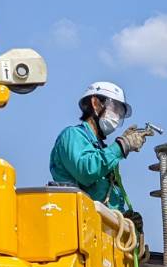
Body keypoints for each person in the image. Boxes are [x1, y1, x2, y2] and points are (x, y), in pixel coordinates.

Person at [49, 80, 148, 212]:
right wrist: (122, 145)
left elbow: (108, 198)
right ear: (95, 103)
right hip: (78, 220)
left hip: (100, 226)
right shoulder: (72, 135)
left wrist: (126, 218)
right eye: (115, 108)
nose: (117, 116)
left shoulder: (100, 149)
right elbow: (86, 171)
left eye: (121, 113)